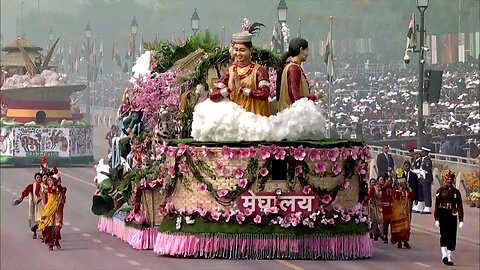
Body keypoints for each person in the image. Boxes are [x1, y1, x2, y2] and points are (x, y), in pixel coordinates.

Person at [209, 31, 271, 116]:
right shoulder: (230, 70)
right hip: (236, 118)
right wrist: (229, 89)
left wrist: (242, 89)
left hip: (255, 119)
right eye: (236, 50)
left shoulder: (259, 71)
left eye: (242, 50)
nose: (238, 54)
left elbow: (264, 94)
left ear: (250, 51)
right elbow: (213, 95)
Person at [276, 37, 324, 112]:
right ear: (301, 50)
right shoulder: (294, 69)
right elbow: (296, 99)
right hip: (292, 116)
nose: (307, 54)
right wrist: (315, 96)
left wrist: (306, 85)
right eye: (307, 50)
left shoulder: (291, 66)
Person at [434, 170, 464, 266]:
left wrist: (461, 219)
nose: (449, 182)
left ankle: (449, 255)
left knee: (452, 235)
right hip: (443, 213)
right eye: (447, 180)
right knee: (444, 234)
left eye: (450, 180)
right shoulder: (440, 191)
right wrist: (436, 218)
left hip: (452, 214)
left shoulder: (456, 192)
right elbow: (437, 205)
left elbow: (459, 206)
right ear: (445, 180)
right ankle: (444, 255)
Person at [13, 172, 45, 239]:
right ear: (35, 179)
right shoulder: (32, 186)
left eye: (40, 177)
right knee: (33, 220)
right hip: (34, 206)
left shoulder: (44, 185)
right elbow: (25, 192)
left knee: (42, 220)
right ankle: (35, 233)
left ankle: (43, 234)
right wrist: (20, 199)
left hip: (42, 206)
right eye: (37, 177)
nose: (39, 179)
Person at [38, 173, 65, 250]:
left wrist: (58, 185)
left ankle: (56, 240)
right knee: (49, 226)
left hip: (58, 209)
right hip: (49, 209)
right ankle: (51, 243)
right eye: (49, 180)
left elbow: (62, 191)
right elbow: (48, 192)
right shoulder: (47, 189)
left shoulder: (62, 189)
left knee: (58, 226)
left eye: (51, 180)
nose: (49, 182)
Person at [391, 175, 415, 249]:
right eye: (401, 184)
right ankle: (399, 242)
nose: (403, 185)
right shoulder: (396, 191)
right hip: (397, 213)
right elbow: (396, 197)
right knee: (399, 228)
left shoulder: (407, 192)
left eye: (404, 184)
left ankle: (405, 241)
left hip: (405, 213)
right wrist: (400, 190)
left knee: (406, 228)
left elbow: (413, 196)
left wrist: (409, 189)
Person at [381, 174, 394, 244]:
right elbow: (382, 188)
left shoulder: (393, 188)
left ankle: (392, 237)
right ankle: (385, 236)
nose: (390, 182)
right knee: (385, 224)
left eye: (391, 181)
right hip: (385, 209)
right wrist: (387, 182)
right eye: (389, 181)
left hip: (392, 209)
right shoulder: (383, 188)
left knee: (392, 224)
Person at [420, 147, 433, 214]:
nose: (421, 153)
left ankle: (428, 206)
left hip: (426, 178)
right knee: (424, 192)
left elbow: (428, 170)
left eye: (422, 152)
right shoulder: (423, 159)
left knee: (427, 192)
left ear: (426, 153)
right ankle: (426, 205)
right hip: (423, 178)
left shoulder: (427, 160)